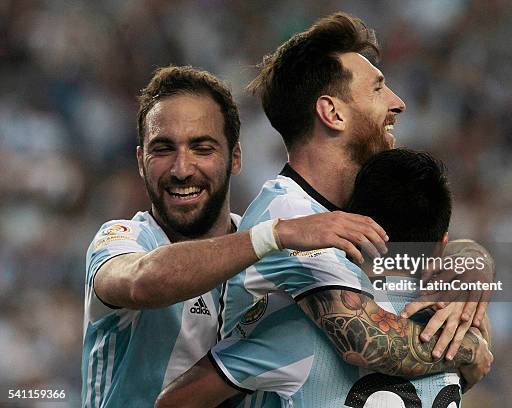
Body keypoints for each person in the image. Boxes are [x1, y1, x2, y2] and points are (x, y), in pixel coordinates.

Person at [157, 12, 493, 407]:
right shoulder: (289, 214)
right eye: (378, 88)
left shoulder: (360, 209)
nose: (398, 103)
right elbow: (364, 342)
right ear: (332, 113)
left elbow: (432, 261)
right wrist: (470, 350)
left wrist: (471, 260)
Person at [81, 65, 388, 408]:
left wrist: (456, 299)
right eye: (163, 149)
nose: (181, 169)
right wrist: (276, 233)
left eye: (202, 148)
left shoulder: (280, 252)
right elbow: (142, 282)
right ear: (141, 161)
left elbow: (382, 321)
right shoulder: (124, 239)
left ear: (235, 157)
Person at [157, 149, 492, 407]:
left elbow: (175, 401)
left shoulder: (302, 325)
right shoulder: (460, 326)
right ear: (441, 246)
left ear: (350, 224)